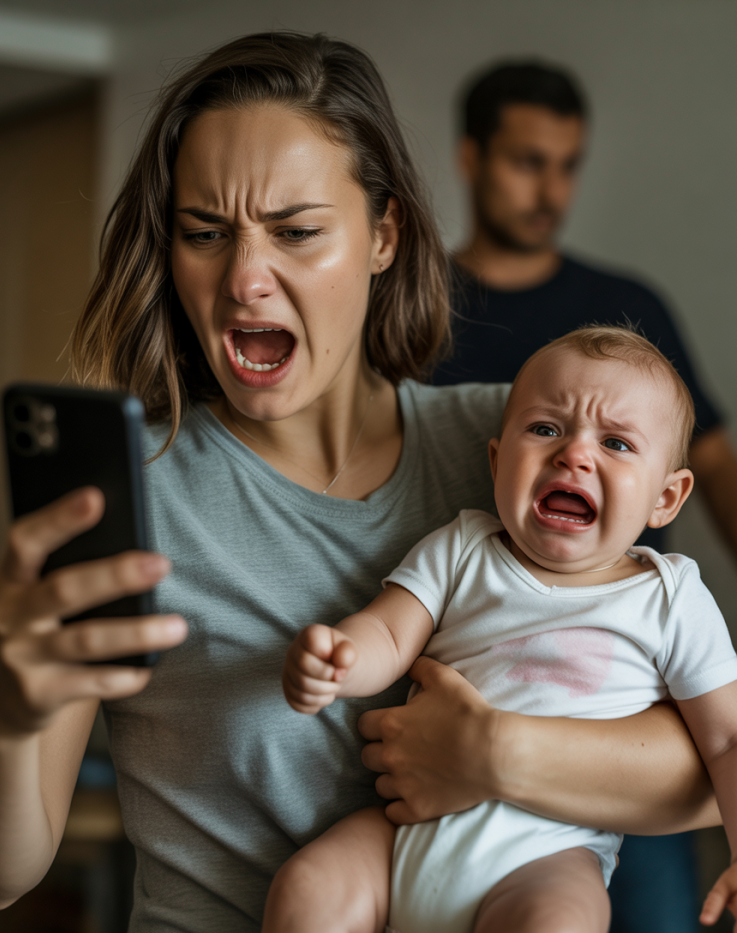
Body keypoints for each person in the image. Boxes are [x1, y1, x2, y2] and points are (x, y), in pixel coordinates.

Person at [0, 34, 721, 933]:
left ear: (384, 236)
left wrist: (491, 750)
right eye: (205, 233)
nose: (245, 280)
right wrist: (9, 716)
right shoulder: (134, 496)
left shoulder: (513, 447)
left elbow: (704, 779)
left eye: (296, 231)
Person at [270, 326, 737, 933]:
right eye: (546, 429)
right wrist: (336, 657)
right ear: (496, 461)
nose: (574, 454)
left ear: (666, 499)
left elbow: (725, 740)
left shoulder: (670, 598)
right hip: (403, 832)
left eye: (617, 443)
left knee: (557, 922)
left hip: (548, 853)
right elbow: (388, 635)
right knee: (309, 885)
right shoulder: (464, 548)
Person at [433, 59, 737, 931]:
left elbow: (713, 467)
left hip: (627, 707)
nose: (550, 189)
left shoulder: (626, 306)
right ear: (471, 157)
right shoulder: (419, 309)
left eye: (567, 164)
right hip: (481, 678)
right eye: (528, 161)